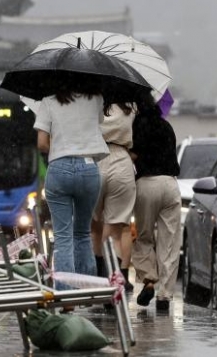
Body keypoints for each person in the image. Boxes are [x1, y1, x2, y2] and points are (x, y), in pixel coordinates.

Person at [33, 76, 110, 289]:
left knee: (63, 236)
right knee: (83, 232)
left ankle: (66, 295)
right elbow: (98, 122)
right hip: (88, 168)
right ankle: (87, 290)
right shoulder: (95, 99)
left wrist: (59, 149)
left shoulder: (48, 101)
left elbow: (41, 143)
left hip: (59, 168)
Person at [129, 91, 181, 312]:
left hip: (146, 184)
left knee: (144, 236)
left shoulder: (136, 126)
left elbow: (133, 156)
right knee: (169, 242)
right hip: (170, 184)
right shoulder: (166, 127)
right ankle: (165, 296)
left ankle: (149, 280)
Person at [90, 103, 136, 292]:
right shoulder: (130, 105)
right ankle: (113, 282)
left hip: (93, 159)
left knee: (93, 228)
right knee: (115, 234)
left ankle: (97, 278)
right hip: (122, 161)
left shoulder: (91, 102)